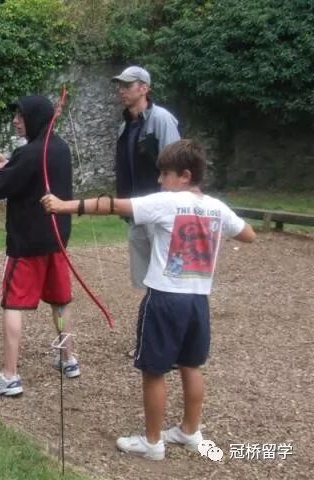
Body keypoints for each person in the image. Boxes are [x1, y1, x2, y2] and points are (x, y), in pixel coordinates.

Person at [41, 139, 256, 460]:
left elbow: (112, 205)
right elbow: (249, 234)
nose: (159, 180)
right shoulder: (216, 207)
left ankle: (153, 443)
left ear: (185, 176)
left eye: (165, 174)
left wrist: (63, 206)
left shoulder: (166, 202)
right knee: (191, 365)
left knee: (154, 371)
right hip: (198, 302)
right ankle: (190, 431)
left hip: (165, 300)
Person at [0, 95, 79, 397]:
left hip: (28, 243)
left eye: (21, 115)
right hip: (56, 239)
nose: (15, 120)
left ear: (35, 118)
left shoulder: (29, 152)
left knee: (13, 304)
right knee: (60, 300)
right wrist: (8, 165)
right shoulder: (59, 147)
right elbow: (36, 178)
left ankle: (9, 376)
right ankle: (68, 359)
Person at [112, 65, 181, 358]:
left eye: (127, 85)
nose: (121, 90)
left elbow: (177, 165)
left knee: (168, 279)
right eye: (120, 85)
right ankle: (153, 342)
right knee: (149, 281)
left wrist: (170, 209)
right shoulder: (125, 126)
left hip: (161, 214)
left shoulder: (162, 120)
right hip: (137, 213)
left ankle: (172, 347)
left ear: (144, 88)